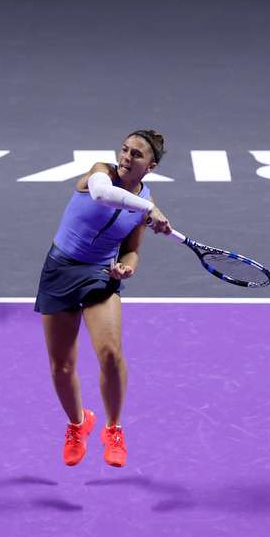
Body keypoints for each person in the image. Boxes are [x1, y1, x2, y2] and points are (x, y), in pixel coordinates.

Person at [35, 130, 172, 467]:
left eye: (136, 155)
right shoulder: (101, 172)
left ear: (150, 166)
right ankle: (78, 423)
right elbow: (102, 195)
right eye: (125, 150)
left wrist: (126, 268)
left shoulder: (144, 205)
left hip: (100, 272)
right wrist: (150, 208)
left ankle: (113, 428)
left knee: (109, 354)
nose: (126, 157)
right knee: (62, 366)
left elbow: (132, 252)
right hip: (61, 269)